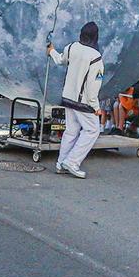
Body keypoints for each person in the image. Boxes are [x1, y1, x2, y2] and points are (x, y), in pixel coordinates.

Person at [48, 21, 107, 178]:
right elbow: (93, 86)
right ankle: (73, 162)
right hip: (83, 102)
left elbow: (60, 60)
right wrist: (96, 107)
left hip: (68, 97)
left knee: (71, 130)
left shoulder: (72, 47)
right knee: (92, 130)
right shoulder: (96, 57)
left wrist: (52, 51)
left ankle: (60, 163)